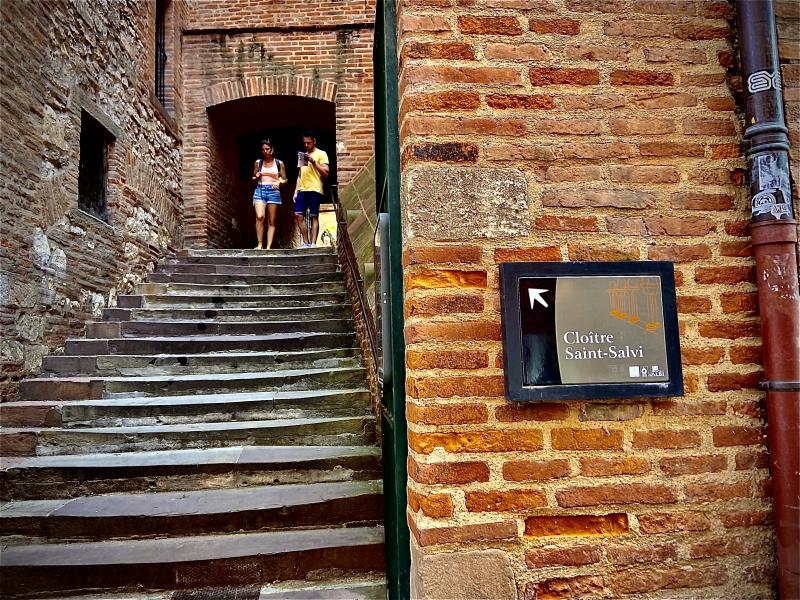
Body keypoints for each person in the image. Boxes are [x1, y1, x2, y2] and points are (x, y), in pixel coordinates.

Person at [293, 131, 329, 248]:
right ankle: (306, 242)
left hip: (315, 188)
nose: (306, 145)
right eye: (305, 143)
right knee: (298, 215)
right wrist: (295, 191)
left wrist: (313, 162)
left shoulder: (321, 154)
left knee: (314, 216)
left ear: (314, 141)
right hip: (303, 189)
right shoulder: (302, 155)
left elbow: (325, 173)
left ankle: (313, 243)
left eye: (309, 142)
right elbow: (300, 174)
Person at [252, 140, 286, 250]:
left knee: (271, 221)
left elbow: (285, 179)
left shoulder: (279, 163)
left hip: (273, 192)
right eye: (263, 150)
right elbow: (253, 177)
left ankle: (268, 247)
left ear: (272, 150)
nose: (265, 151)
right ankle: (260, 244)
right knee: (260, 216)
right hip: (260, 190)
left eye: (267, 149)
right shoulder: (258, 162)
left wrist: (279, 182)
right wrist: (256, 175)